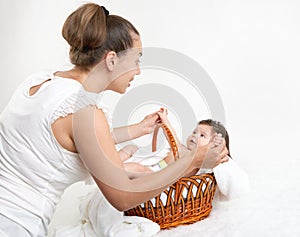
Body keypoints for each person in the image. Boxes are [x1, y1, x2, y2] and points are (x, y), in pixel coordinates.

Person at [0, 3, 228, 237]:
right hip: (15, 223)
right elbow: (123, 195)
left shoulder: (40, 82)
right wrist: (194, 159)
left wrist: (137, 130)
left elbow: (59, 142)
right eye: (137, 59)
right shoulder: (85, 112)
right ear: (111, 61)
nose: (138, 71)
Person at [120, 108, 231, 177]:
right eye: (194, 132)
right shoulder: (183, 149)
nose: (195, 136)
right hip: (155, 165)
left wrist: (217, 145)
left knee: (136, 168)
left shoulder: (200, 162)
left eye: (202, 135)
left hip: (157, 176)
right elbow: (172, 137)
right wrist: (165, 120)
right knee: (131, 148)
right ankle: (109, 165)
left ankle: (112, 173)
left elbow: (215, 156)